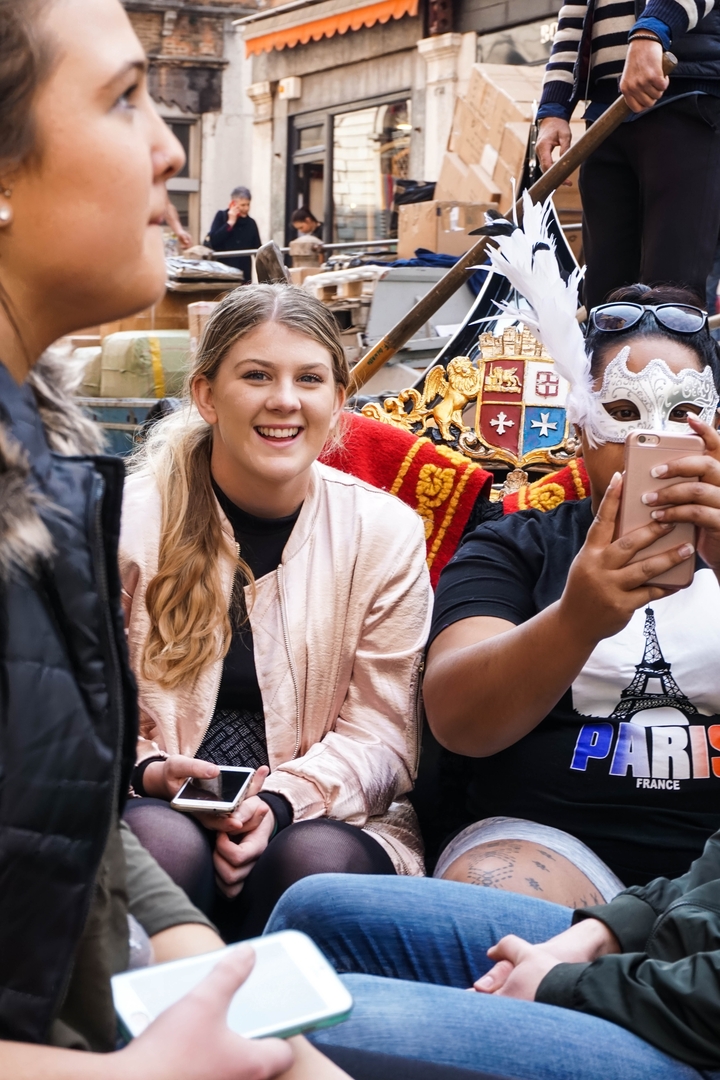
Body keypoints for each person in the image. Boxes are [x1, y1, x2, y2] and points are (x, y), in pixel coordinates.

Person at [0, 2, 356, 1077]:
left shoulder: (51, 473)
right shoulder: (113, 498)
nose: (169, 149)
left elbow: (61, 821)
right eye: (123, 98)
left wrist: (194, 953)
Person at [119, 283, 431, 941]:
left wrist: (282, 801)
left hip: (332, 809)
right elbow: (81, 710)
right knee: (161, 845)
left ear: (339, 400)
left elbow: (383, 734)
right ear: (207, 394)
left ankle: (288, 1040)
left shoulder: (384, 531)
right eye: (256, 375)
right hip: (145, 799)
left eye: (309, 378)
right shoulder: (128, 520)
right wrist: (150, 771)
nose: (284, 400)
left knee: (311, 866)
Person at [266, 831, 720, 1078]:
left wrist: (564, 983)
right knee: (318, 909)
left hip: (701, 1033)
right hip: (686, 950)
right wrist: (601, 934)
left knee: (322, 1020)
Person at [536, 0, 720, 311]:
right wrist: (554, 108)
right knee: (604, 291)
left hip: (685, 97)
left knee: (671, 288)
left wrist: (652, 31)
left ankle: (669, 359)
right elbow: (575, 16)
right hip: (605, 114)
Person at [205, 186, 261, 284]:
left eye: (248, 204)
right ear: (233, 204)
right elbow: (214, 241)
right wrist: (230, 223)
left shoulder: (251, 223)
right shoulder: (221, 216)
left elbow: (258, 249)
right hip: (223, 273)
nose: (246, 208)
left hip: (243, 275)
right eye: (242, 205)